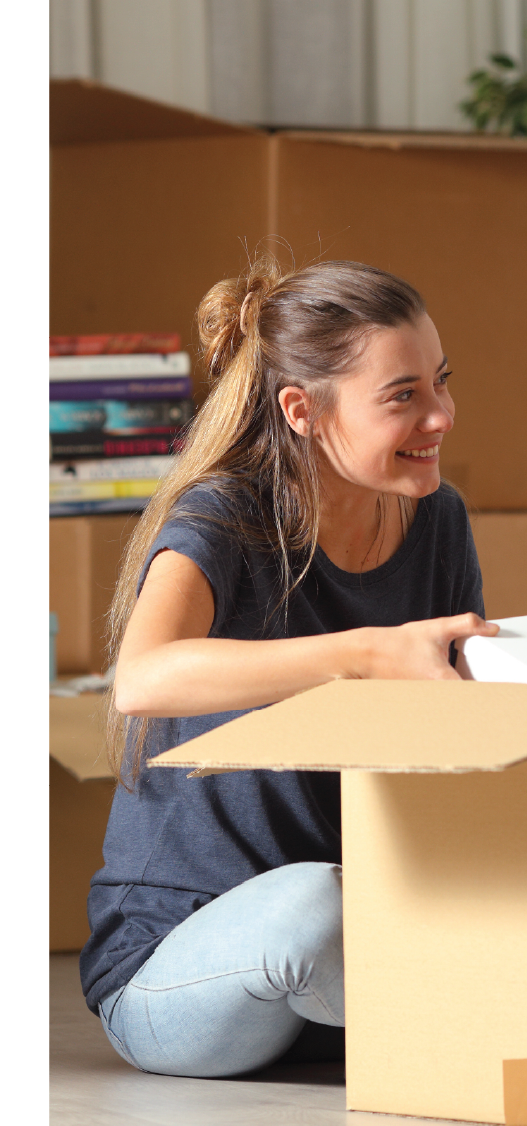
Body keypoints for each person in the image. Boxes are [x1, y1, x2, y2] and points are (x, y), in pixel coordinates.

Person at [80, 252, 497, 1080]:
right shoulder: (225, 513)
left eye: (440, 382)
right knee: (315, 909)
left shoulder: (438, 520)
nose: (442, 415)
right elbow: (143, 675)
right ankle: (497, 1038)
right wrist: (369, 654)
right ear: (302, 410)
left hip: (349, 955)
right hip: (181, 968)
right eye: (404, 396)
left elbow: (464, 726)